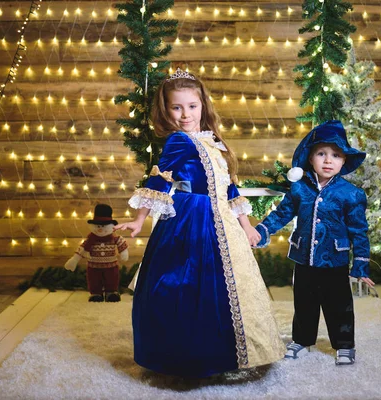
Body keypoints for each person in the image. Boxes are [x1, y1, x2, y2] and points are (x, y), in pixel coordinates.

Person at [115, 68, 285, 377]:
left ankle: (228, 351)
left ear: (202, 105)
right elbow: (160, 181)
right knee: (189, 283)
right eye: (176, 107)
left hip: (222, 217)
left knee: (228, 286)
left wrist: (247, 226)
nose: (184, 114)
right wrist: (139, 219)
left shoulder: (212, 141)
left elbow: (230, 188)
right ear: (165, 110)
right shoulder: (178, 141)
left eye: (191, 106)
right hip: (191, 218)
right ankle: (189, 355)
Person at [254, 120, 374, 365]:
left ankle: (344, 345)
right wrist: (261, 231)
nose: (328, 160)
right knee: (304, 302)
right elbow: (282, 214)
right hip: (303, 257)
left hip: (335, 260)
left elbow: (359, 231)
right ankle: (302, 339)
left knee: (338, 305)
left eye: (336, 155)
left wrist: (360, 264)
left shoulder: (351, 194)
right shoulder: (300, 189)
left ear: (344, 162)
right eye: (321, 154)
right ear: (310, 158)